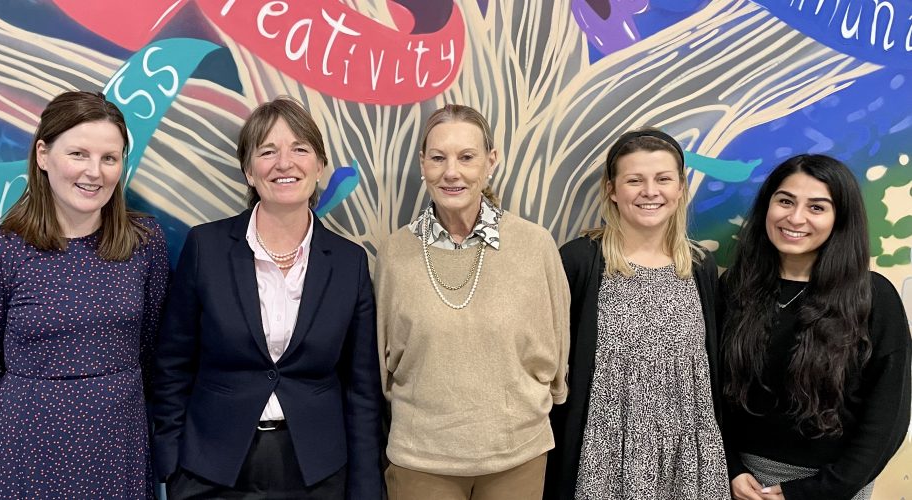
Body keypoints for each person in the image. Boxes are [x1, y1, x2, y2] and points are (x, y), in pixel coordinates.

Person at [152, 96, 383, 499]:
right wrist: (171, 462)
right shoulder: (206, 247)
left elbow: (361, 389)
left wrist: (365, 486)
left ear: (320, 166)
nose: (284, 163)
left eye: (300, 149)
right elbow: (172, 364)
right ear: (249, 171)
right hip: (211, 471)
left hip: (317, 473)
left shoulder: (349, 263)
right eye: (268, 151)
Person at [0, 91, 169, 498]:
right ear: (43, 155)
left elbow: (151, 351)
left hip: (118, 443)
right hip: (26, 448)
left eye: (109, 157)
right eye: (78, 154)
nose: (94, 172)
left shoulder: (145, 241)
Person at [375, 104, 569, 500]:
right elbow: (381, 359)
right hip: (421, 460)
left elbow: (558, 350)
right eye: (438, 158)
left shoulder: (535, 246)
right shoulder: (395, 253)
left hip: (518, 456)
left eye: (467, 157)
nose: (452, 172)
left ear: (490, 161)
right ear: (422, 164)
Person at [544, 129, 728, 499]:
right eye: (634, 180)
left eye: (663, 179)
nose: (650, 191)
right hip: (603, 455)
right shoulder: (581, 261)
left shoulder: (699, 266)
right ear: (612, 189)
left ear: (680, 188)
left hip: (687, 455)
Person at [720, 154, 910, 500]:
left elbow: (888, 418)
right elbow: (711, 390)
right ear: (767, 206)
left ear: (840, 218)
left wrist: (815, 491)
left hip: (831, 486)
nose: (795, 218)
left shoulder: (873, 297)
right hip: (740, 484)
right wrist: (732, 469)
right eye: (785, 201)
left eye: (817, 207)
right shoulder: (735, 288)